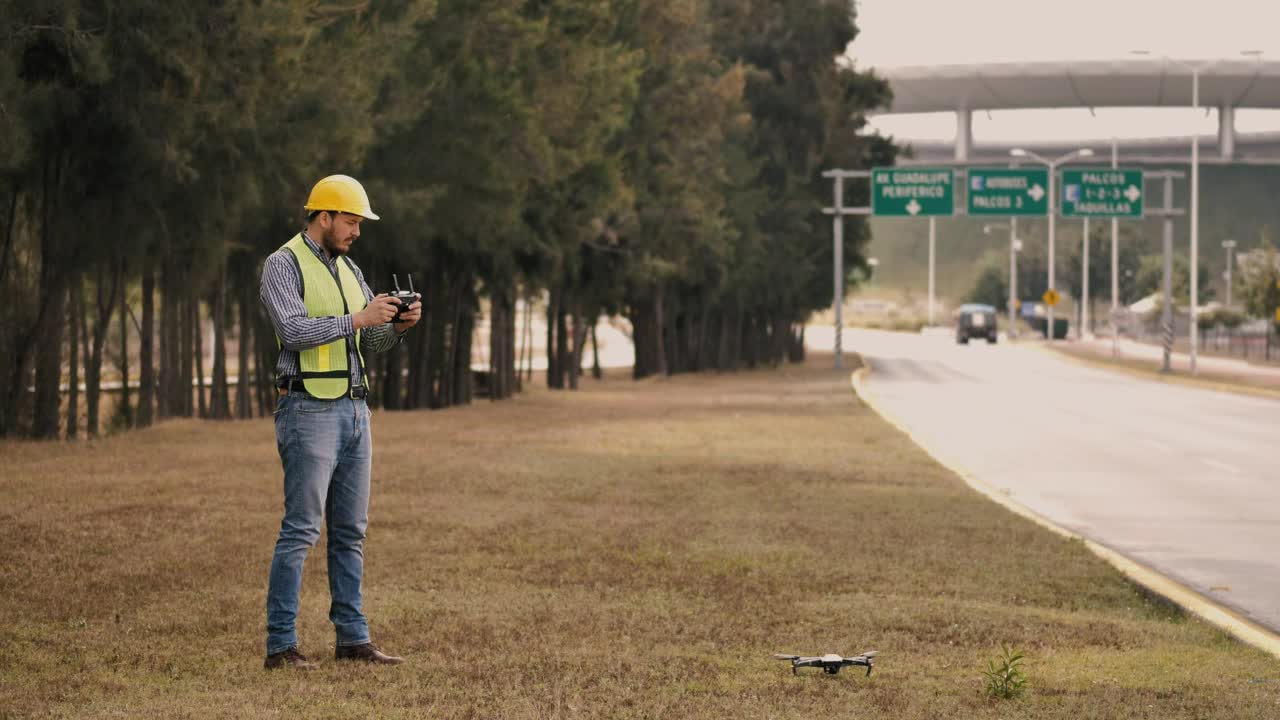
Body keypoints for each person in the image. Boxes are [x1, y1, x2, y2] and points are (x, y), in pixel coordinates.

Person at [259, 174, 420, 670]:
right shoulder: (282, 265)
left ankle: (352, 639)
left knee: (350, 532)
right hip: (307, 408)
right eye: (350, 221)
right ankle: (280, 646)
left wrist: (394, 327)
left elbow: (367, 343)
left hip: (354, 409)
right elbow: (292, 329)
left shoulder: (350, 269)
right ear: (323, 216)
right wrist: (357, 319)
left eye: (358, 224)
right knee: (302, 530)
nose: (356, 232)